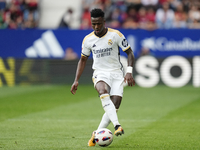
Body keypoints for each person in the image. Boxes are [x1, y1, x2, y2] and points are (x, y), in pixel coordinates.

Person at [70, 8, 135, 147]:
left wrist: (129, 71)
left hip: (117, 73)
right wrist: (76, 80)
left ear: (104, 22)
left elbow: (130, 53)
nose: (96, 27)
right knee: (102, 91)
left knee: (115, 105)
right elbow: (82, 60)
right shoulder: (88, 40)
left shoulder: (115, 35)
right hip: (100, 73)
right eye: (93, 24)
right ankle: (117, 125)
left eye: (99, 23)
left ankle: (97, 133)